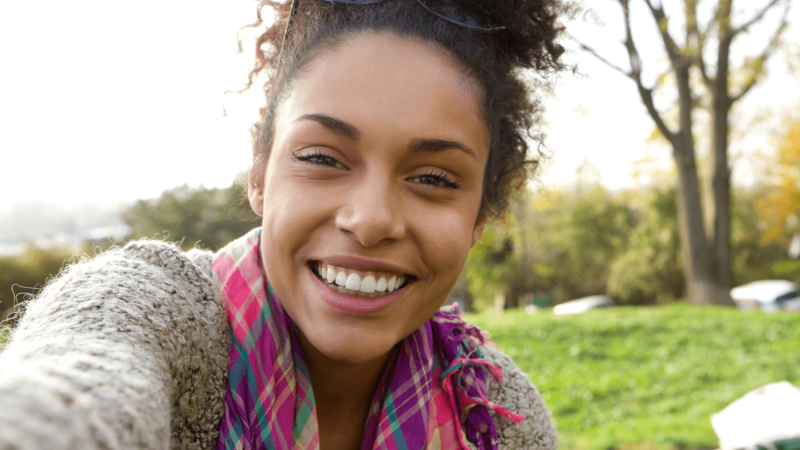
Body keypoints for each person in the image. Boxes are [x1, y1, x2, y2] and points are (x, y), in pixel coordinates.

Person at [0, 0, 565, 449]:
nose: (370, 221)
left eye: (436, 179)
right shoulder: (154, 312)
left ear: (480, 219)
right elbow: (76, 385)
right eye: (322, 158)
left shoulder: (497, 417)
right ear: (259, 174)